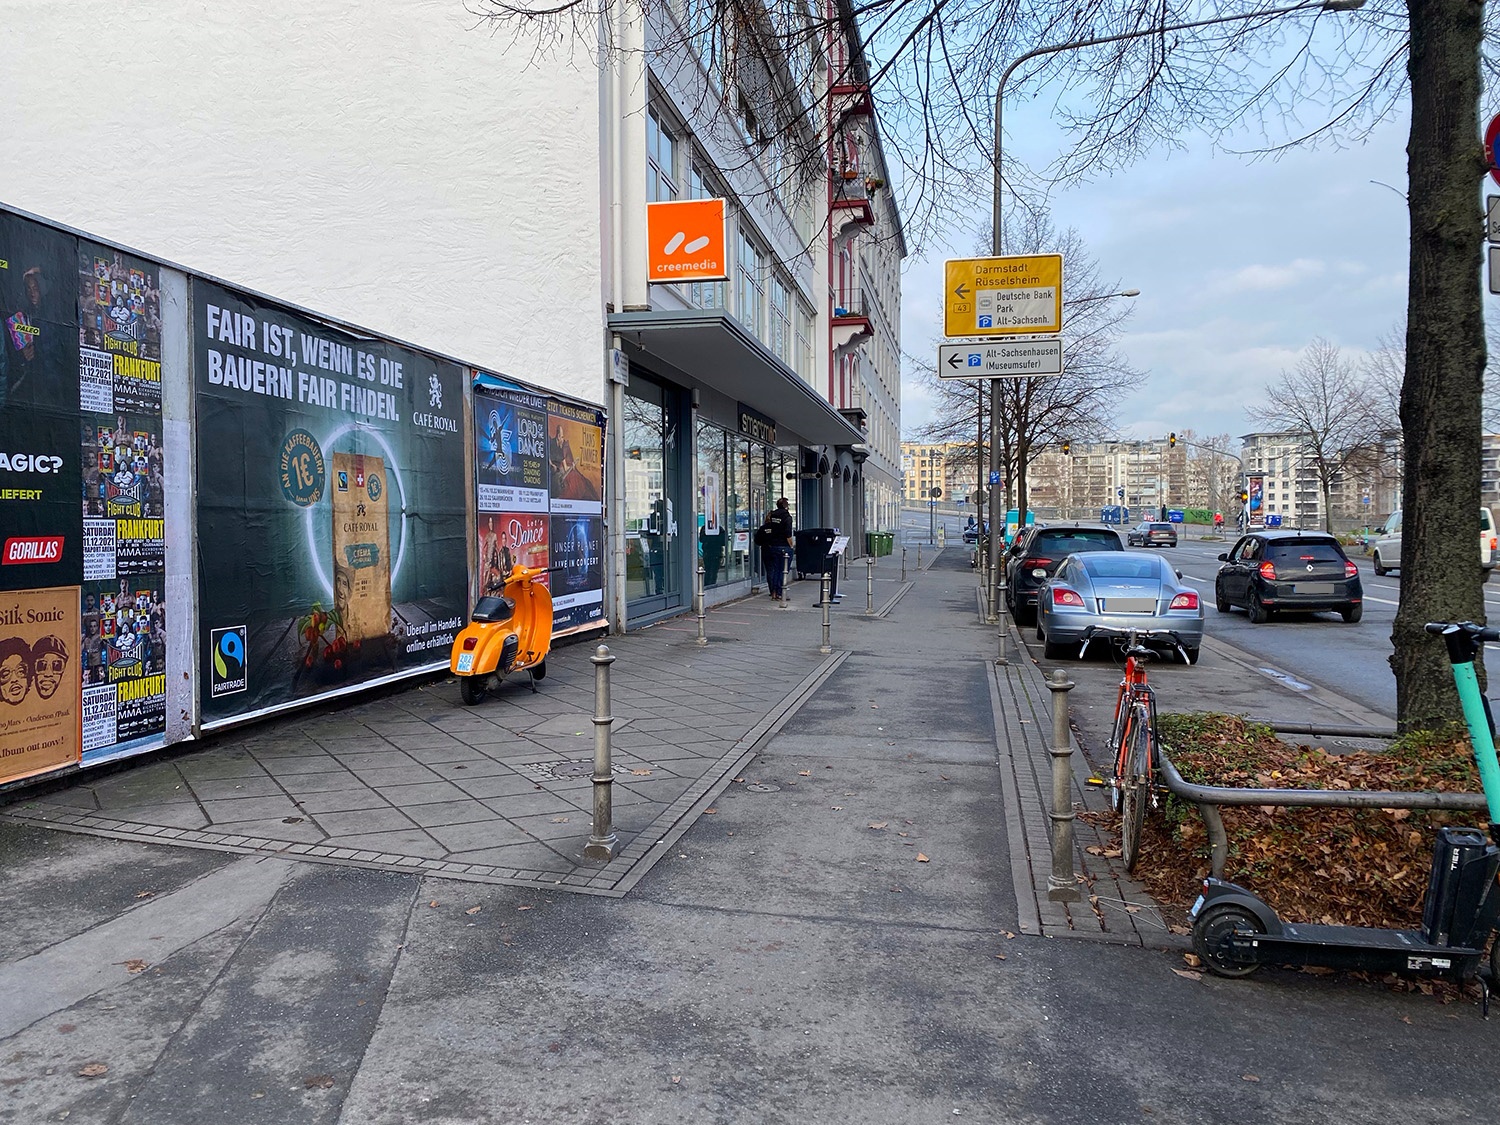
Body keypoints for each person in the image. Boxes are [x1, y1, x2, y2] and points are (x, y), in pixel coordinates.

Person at [759, 498, 795, 601]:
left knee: (775, 570)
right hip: (784, 546)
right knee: (783, 570)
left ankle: (774, 592)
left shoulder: (773, 515)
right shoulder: (787, 517)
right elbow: (788, 534)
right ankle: (780, 593)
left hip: (773, 546)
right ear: (786, 506)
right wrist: (791, 546)